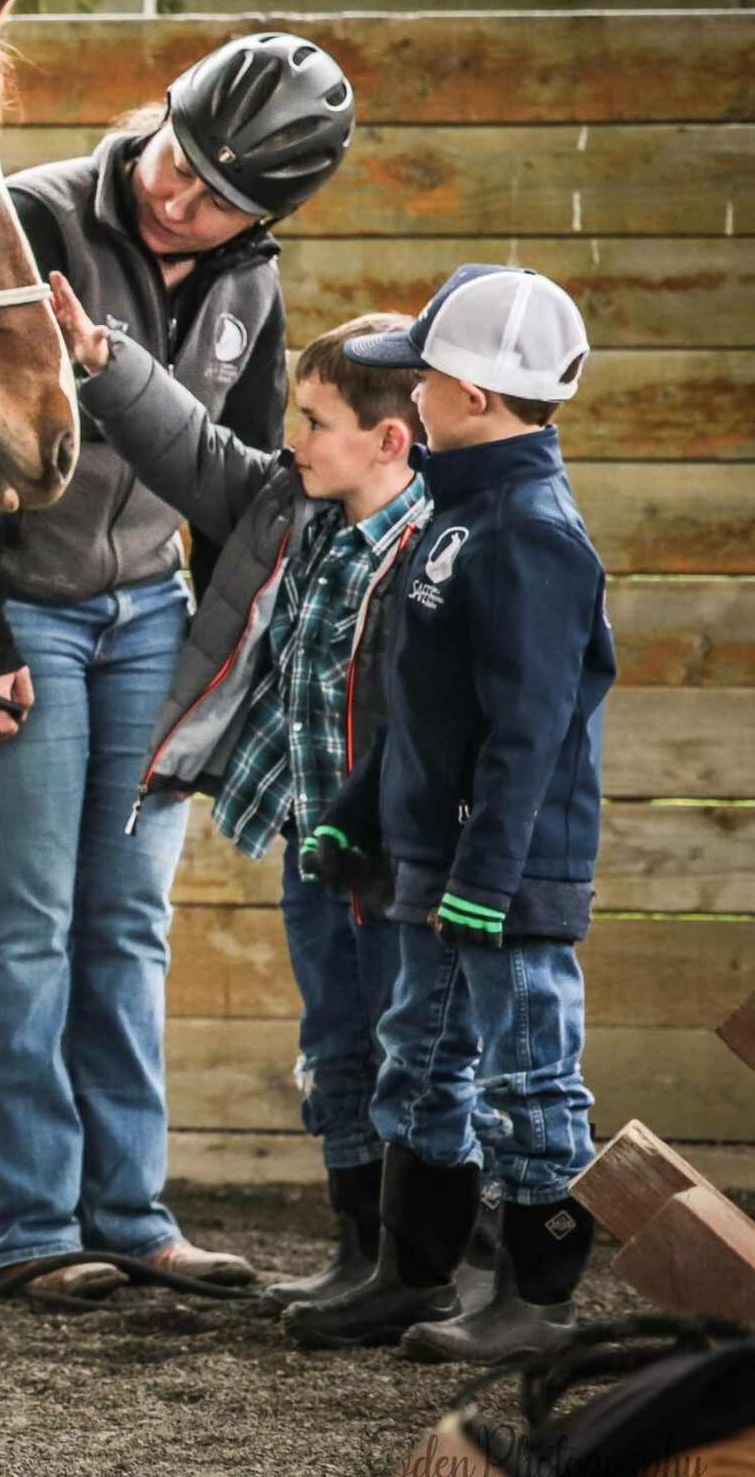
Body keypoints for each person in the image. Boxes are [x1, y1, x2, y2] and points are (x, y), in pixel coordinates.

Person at [0, 31, 355, 1298]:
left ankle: (129, 1214)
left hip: (143, 611)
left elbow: (240, 494)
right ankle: (24, 1229)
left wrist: (226, 659)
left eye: (216, 199)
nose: (176, 199)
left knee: (126, 918)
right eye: (177, 163)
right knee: (22, 915)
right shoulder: (29, 221)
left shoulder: (252, 289)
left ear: (266, 216)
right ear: (162, 119)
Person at [43, 279, 478, 1318]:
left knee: (410, 1051)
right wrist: (105, 362)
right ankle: (359, 1250)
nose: (292, 441)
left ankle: (426, 1267)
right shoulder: (290, 509)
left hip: (403, 863)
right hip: (313, 850)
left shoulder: (444, 550)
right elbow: (189, 450)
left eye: (314, 424)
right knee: (333, 1043)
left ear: (389, 443)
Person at [283, 265, 613, 1364]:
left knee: (529, 1077)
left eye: (418, 378)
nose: (406, 397)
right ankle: (411, 1274)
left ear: (470, 396)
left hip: (504, 880)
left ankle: (539, 1299)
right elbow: (420, 713)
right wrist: (355, 814)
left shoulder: (531, 535)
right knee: (416, 1067)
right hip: (433, 862)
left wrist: (488, 878)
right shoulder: (455, 518)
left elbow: (528, 733)